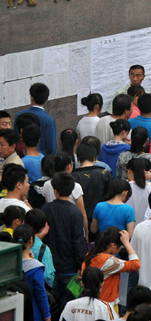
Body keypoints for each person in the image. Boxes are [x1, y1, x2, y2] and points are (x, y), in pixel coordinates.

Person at [43, 172, 87, 304]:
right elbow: (78, 242)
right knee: (72, 304)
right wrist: (81, 264)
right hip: (70, 268)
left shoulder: (46, 209)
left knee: (52, 304)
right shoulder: (75, 212)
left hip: (50, 266)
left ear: (55, 191)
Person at [15, 83, 57, 155]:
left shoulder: (19, 115)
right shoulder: (49, 120)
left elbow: (16, 138)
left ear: (31, 98)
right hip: (42, 160)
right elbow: (51, 147)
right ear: (46, 98)